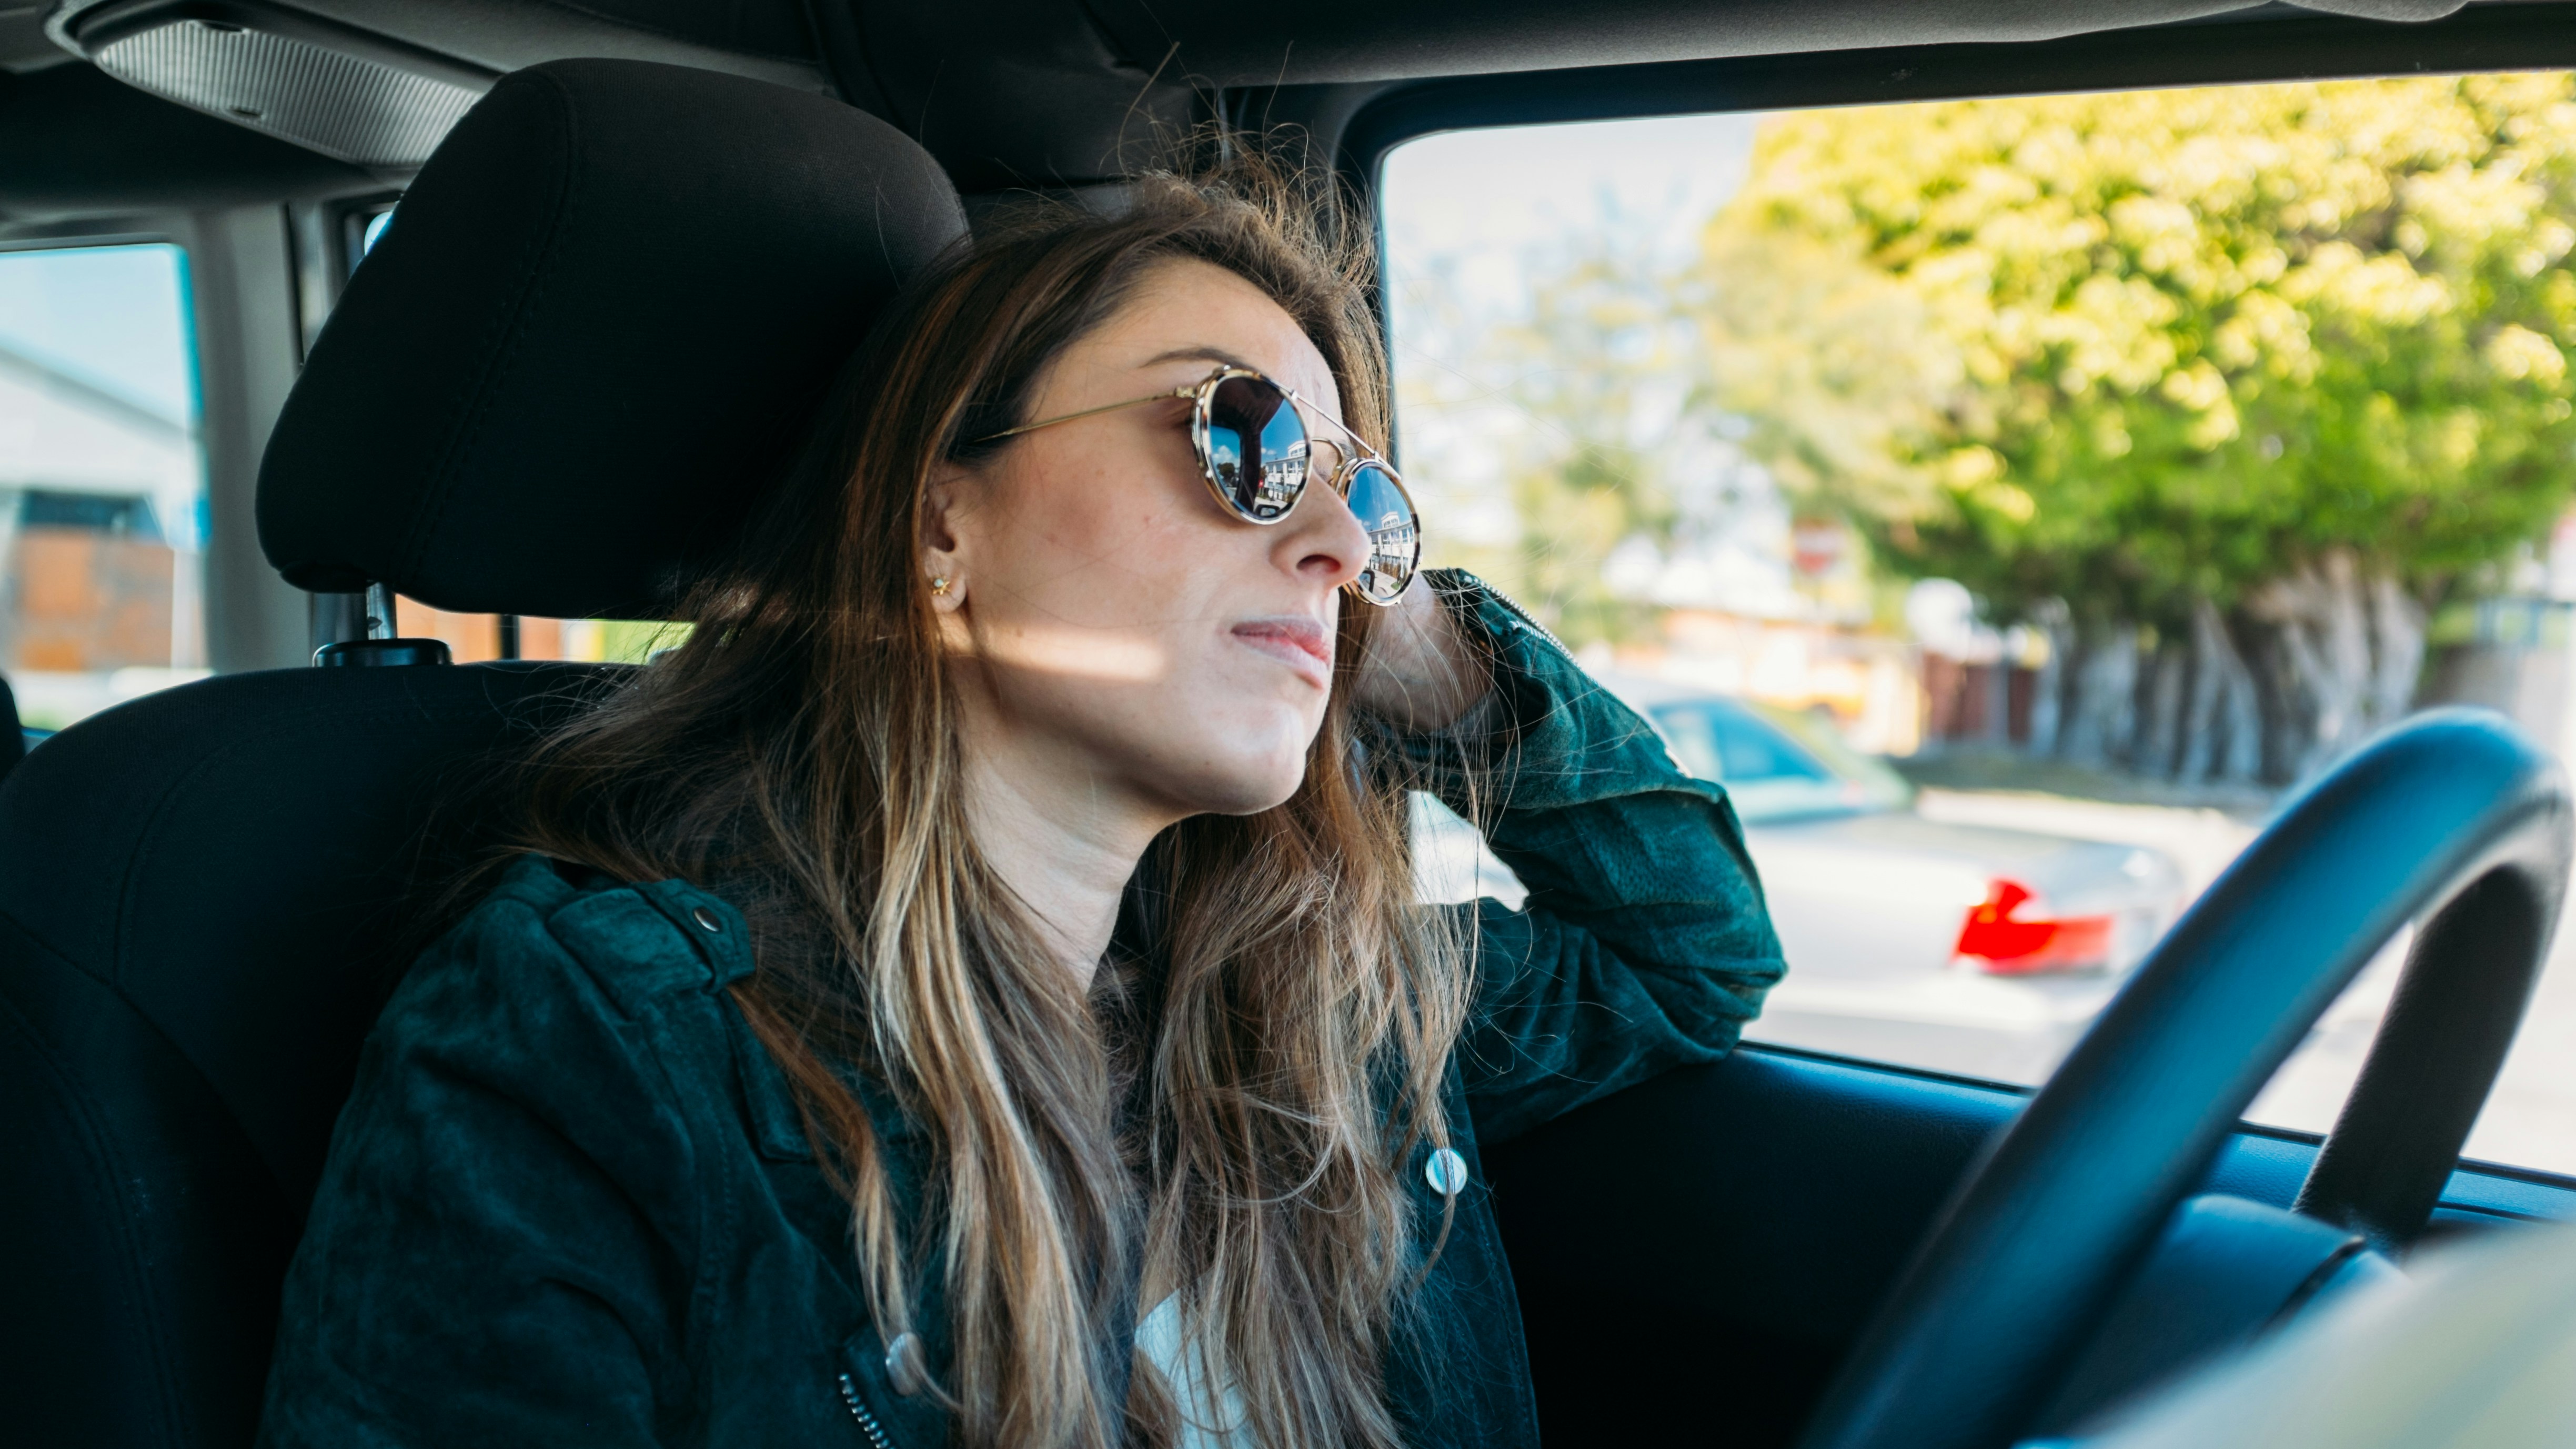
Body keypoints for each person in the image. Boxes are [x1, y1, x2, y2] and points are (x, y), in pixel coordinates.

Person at [256, 150, 1786, 1449]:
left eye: (1365, 495)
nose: (1332, 536)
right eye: (1239, 437)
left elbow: (1692, 950)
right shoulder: (604, 1045)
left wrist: (1412, 634)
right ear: (941, 525)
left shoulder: (1322, 993)